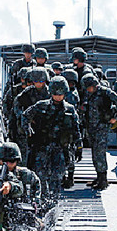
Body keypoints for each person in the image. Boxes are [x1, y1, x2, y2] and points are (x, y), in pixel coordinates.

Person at [23, 76, 81, 208]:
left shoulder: (69, 109)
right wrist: (28, 130)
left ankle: (53, 204)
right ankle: (41, 202)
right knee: (40, 175)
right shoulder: (41, 105)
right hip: (42, 147)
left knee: (57, 176)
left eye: (61, 94)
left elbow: (76, 128)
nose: (58, 97)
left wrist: (79, 146)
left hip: (60, 148)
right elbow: (25, 116)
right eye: (56, 94)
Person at [0, 141, 47, 231]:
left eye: (11, 161)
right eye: (4, 161)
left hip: (21, 212)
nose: (8, 164)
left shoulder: (25, 174)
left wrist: (35, 202)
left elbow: (36, 184)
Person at [80, 73, 117, 190]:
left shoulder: (105, 92)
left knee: (100, 152)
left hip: (102, 126)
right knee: (95, 153)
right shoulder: (89, 94)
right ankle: (98, 176)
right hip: (91, 126)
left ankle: (103, 179)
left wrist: (116, 117)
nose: (88, 89)